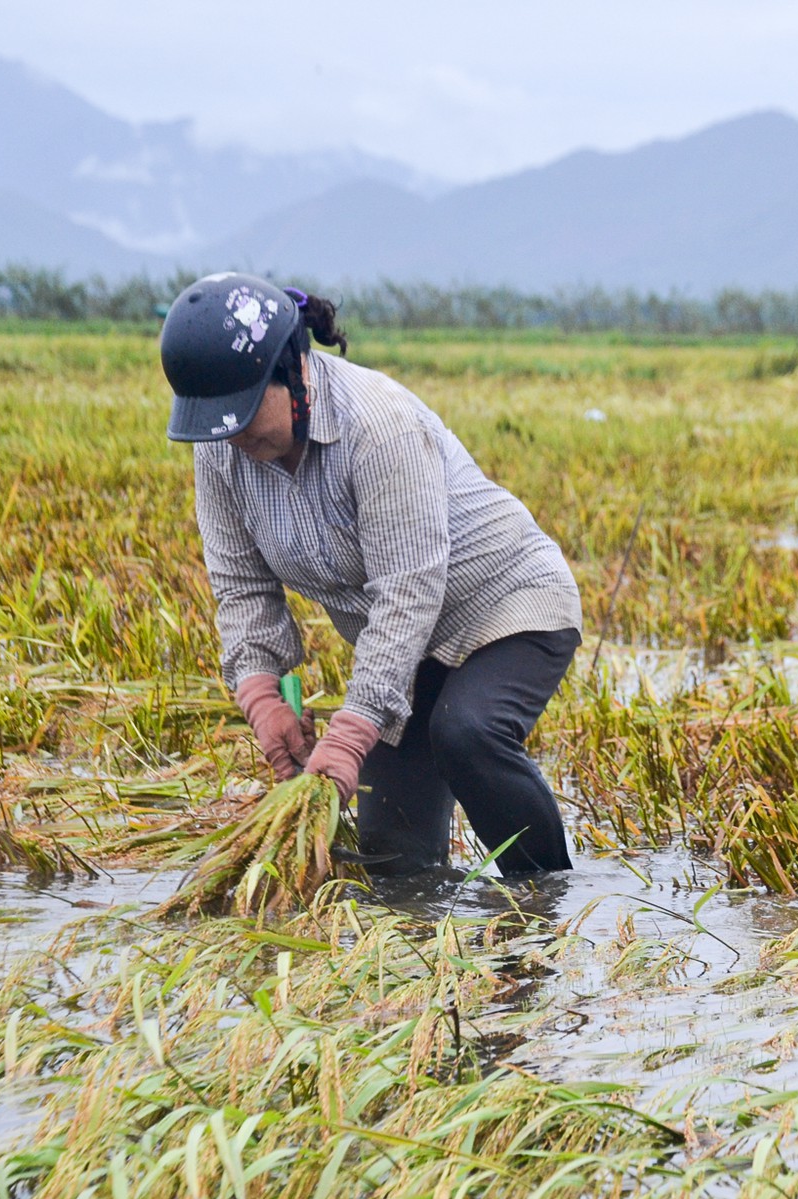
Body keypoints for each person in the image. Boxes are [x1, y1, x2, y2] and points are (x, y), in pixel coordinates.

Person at [160, 273, 584, 879]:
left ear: (294, 369)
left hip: (509, 603)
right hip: (408, 651)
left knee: (466, 735)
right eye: (218, 423)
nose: (236, 436)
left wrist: (352, 733)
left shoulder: (378, 426)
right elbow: (243, 586)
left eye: (246, 413)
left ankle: (545, 902)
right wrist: (262, 697)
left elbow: (407, 593)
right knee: (394, 865)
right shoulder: (224, 447)